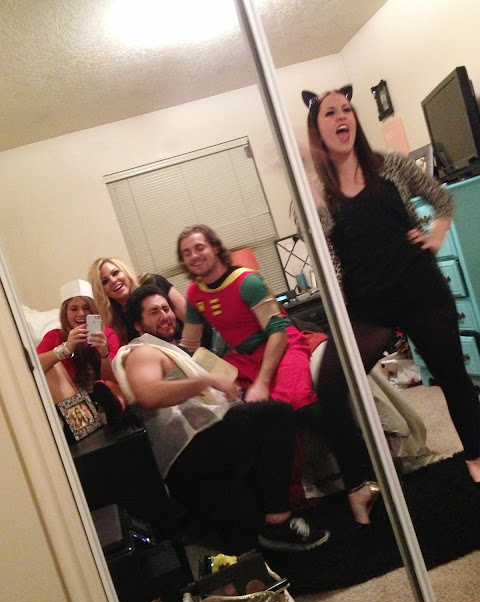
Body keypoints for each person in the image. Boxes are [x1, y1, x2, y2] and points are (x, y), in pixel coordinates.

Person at [301, 84, 480, 509]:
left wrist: (435, 236)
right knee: (330, 386)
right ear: (317, 129)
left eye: (347, 109)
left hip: (421, 291)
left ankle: (476, 459)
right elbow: (319, 249)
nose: (342, 116)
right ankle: (358, 486)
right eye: (330, 112)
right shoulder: (318, 193)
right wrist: (308, 188)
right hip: (369, 308)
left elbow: (440, 199)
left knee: (453, 378)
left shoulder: (391, 165)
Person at [111, 283, 330, 553]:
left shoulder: (172, 350)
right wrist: (206, 380)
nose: (165, 316)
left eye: (166, 309)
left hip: (201, 449)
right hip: (189, 452)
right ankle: (279, 519)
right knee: (276, 413)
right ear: (138, 326)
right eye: (154, 312)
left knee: (247, 538)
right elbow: (148, 395)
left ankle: (270, 519)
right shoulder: (143, 352)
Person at [176, 224, 318, 411]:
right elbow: (189, 346)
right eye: (187, 253)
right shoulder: (194, 294)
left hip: (282, 345)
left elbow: (278, 333)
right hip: (243, 358)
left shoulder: (247, 281)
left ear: (215, 248)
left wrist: (262, 383)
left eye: (199, 248)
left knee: (293, 399)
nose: (194, 256)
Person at [37, 279, 119, 404]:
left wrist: (104, 354)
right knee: (52, 364)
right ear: (65, 314)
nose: (81, 314)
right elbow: (34, 366)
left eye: (86, 308)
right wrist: (65, 349)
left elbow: (111, 381)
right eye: (74, 309)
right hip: (73, 402)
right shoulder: (54, 336)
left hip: (104, 401)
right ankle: (84, 415)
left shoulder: (108, 335)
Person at [88, 257, 187, 346]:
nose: (113, 280)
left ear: (125, 273)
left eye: (116, 273)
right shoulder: (113, 319)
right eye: (105, 281)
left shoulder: (153, 282)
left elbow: (188, 318)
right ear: (101, 291)